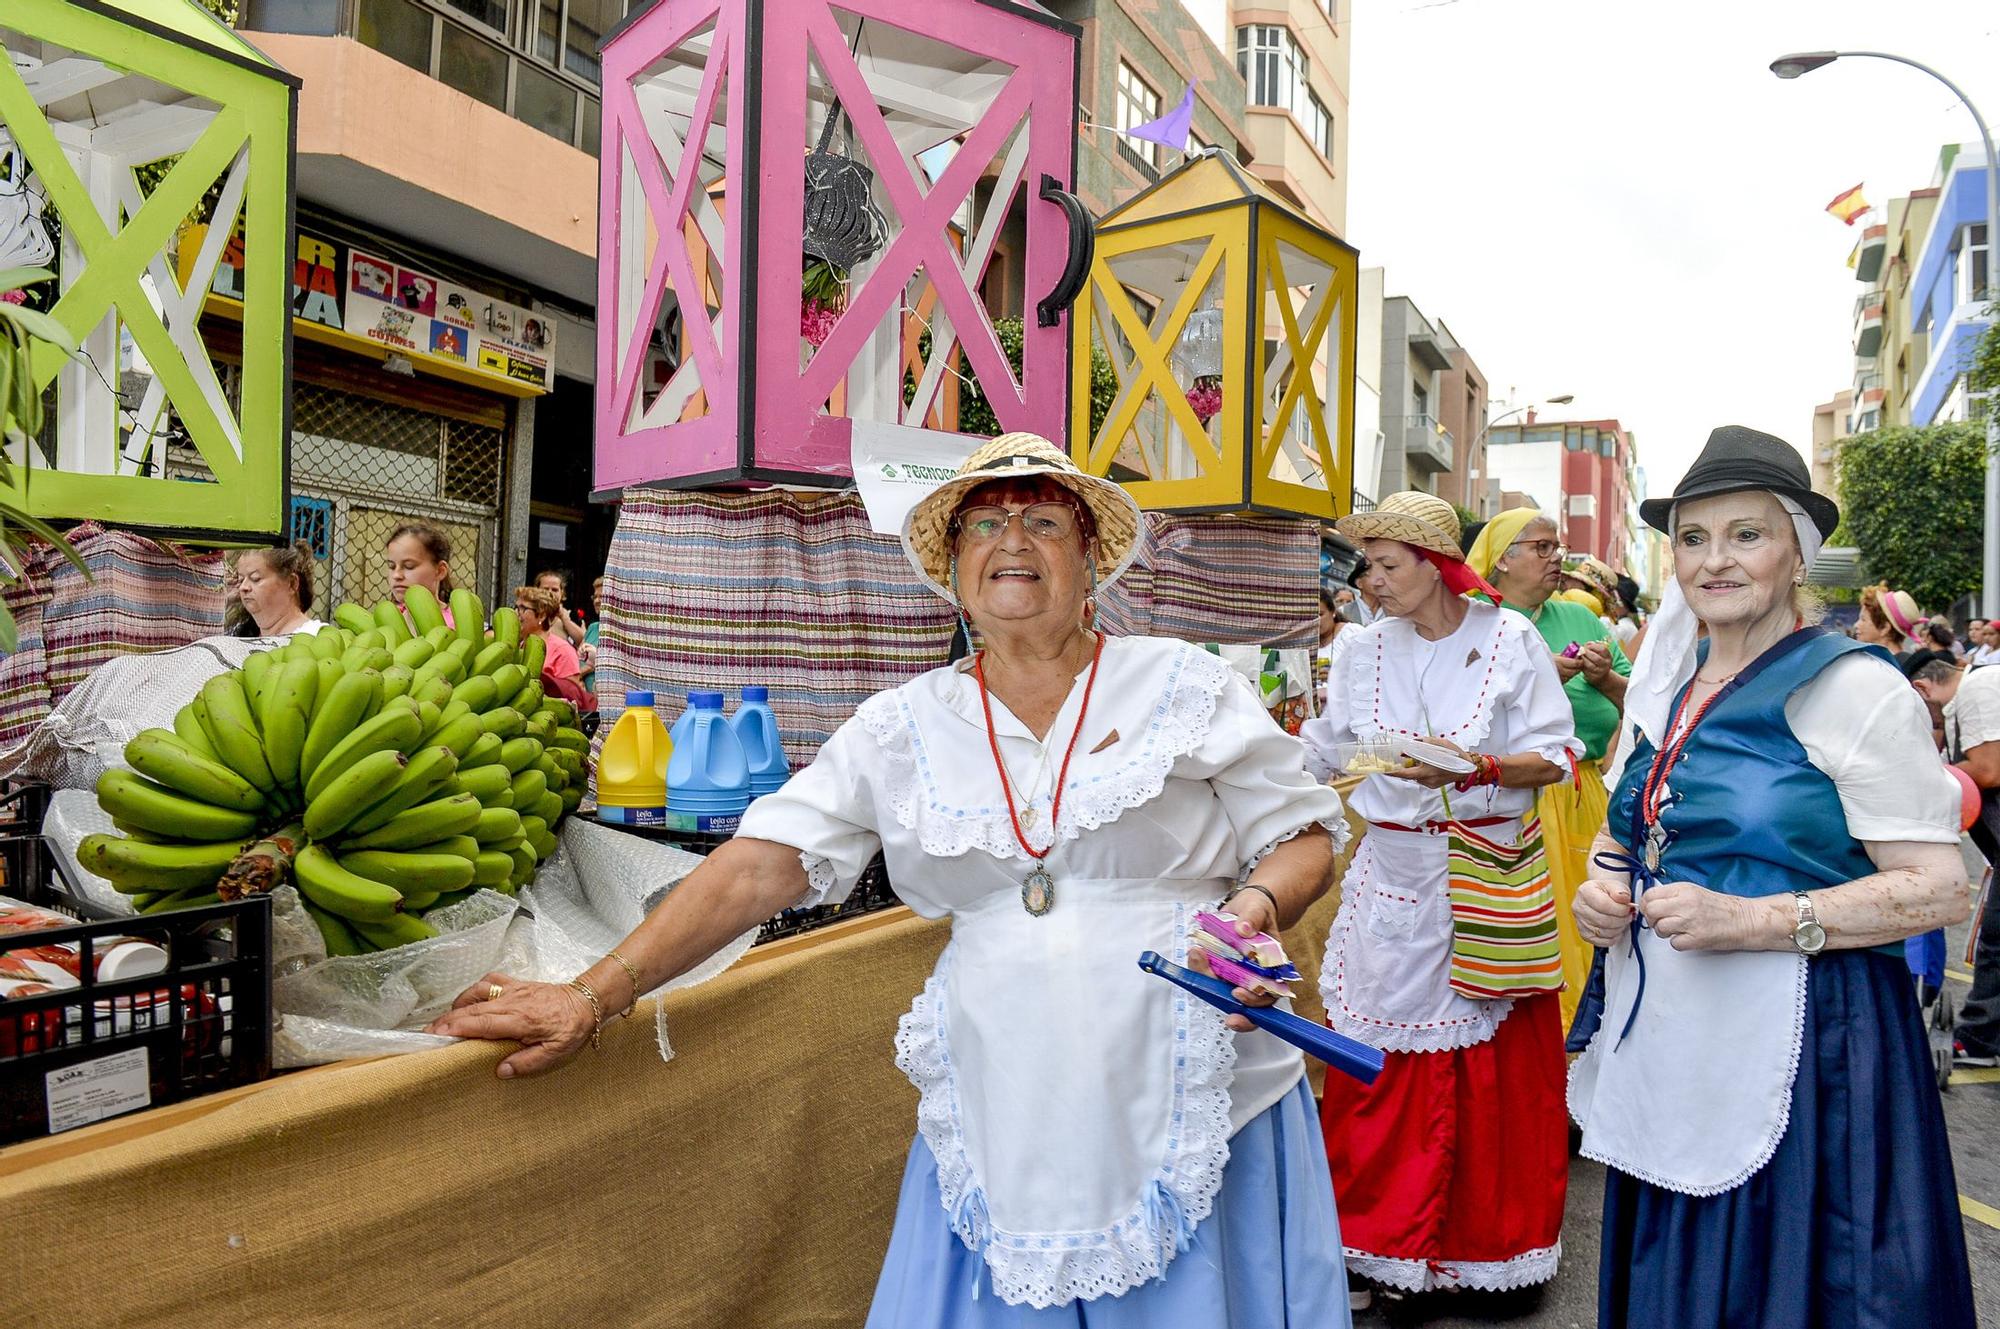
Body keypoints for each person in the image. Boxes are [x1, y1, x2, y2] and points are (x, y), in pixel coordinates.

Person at [430, 434, 1355, 1326]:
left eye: (1042, 518)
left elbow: (1304, 831)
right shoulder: (903, 724)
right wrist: (592, 996)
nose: (1013, 541)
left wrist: (1251, 908)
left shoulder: (1179, 683)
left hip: (1193, 1077)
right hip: (1005, 1092)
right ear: (954, 571)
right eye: (984, 525)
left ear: (1090, 559)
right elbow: (758, 867)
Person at [1568, 426, 1974, 1328]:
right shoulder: (1670, 685)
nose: (1716, 560)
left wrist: (1750, 920)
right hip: (1671, 1044)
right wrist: (1601, 891)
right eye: (1694, 537)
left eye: (1746, 534)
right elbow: (1620, 837)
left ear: (1797, 552)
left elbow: (1942, 887)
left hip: (1811, 1053)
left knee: (1787, 1282)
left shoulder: (1853, 688)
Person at [1300, 491, 1581, 1302]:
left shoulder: (1509, 638)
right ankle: (1377, 1247)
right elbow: (1328, 747)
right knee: (1376, 1063)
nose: (1374, 582)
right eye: (1371, 567)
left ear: (1437, 566)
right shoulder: (1360, 648)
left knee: (1492, 1068)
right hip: (1391, 876)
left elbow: (1555, 756)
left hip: (1485, 872)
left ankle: (1488, 1257)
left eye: (1389, 566)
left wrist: (1478, 768)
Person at [1466, 509, 1632, 1034]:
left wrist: (1604, 679)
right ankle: (1531, 1039)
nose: (1557, 557)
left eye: (1557, 547)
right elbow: (1457, 719)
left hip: (1582, 796)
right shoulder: (1468, 621)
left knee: (1589, 920)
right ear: (1501, 559)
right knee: (1522, 929)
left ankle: (1584, 1037)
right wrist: (1535, 682)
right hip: (1501, 799)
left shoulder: (1581, 620)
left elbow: (1642, 705)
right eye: (1542, 547)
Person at [1910, 655, 2000, 1066]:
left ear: (1922, 689)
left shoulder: (1977, 689)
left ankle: (1981, 1038)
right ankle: (1983, 1036)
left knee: (1996, 941)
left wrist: (1929, 777)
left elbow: (1987, 769)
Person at [227, 543, 324, 637]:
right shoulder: (237, 632)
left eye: (255, 579)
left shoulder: (314, 635)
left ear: (292, 583)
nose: (243, 587)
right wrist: (224, 599)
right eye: (241, 579)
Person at [513, 585, 583, 683]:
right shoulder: (517, 646)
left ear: (541, 616)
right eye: (516, 607)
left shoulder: (562, 651)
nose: (516, 613)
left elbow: (571, 692)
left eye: (523, 608)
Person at [384, 522, 455, 609]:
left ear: (440, 571)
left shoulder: (456, 621)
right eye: (392, 566)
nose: (396, 575)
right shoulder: (387, 619)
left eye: (409, 566)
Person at [1857, 583, 1924, 671]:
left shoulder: (1898, 668)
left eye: (1863, 619)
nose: (1857, 625)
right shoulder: (1905, 663)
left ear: (1885, 628)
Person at [535, 568, 590, 656]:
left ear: (562, 593)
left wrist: (565, 619)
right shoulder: (527, 612)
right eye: (545, 589)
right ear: (537, 590)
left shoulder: (573, 616)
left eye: (555, 590)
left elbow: (584, 643)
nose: (550, 593)